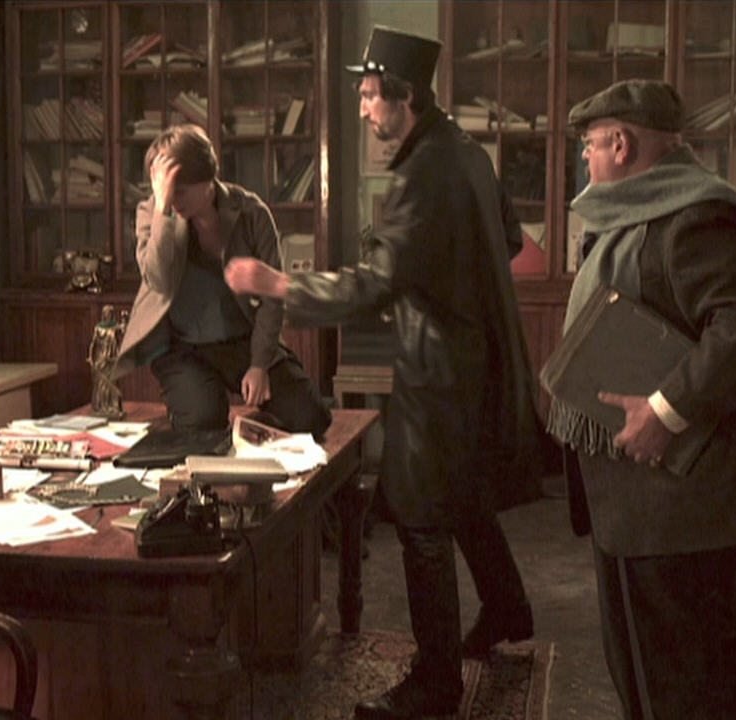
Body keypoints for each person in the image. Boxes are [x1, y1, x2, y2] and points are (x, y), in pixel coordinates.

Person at [225, 26, 547, 720]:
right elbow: (509, 237)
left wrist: (279, 284)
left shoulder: (422, 172)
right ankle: (507, 606)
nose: (365, 108)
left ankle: (435, 682)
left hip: (441, 371)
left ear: (406, 97)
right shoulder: (466, 152)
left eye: (372, 95)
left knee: (421, 518)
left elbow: (373, 284)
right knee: (464, 497)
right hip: (478, 357)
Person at [551, 79, 736, 719]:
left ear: (621, 144)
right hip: (644, 508)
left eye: (590, 145)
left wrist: (664, 410)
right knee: (644, 682)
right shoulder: (640, 214)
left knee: (674, 694)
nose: (586, 159)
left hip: (679, 515)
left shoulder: (695, 216)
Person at [113, 124, 330, 438]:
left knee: (311, 416)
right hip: (183, 346)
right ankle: (198, 406)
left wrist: (259, 365)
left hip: (242, 339)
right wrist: (163, 210)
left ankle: (251, 427)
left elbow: (272, 297)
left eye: (179, 190)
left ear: (207, 181)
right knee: (203, 423)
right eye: (164, 189)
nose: (172, 198)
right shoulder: (155, 212)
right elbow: (158, 279)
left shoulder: (252, 212)